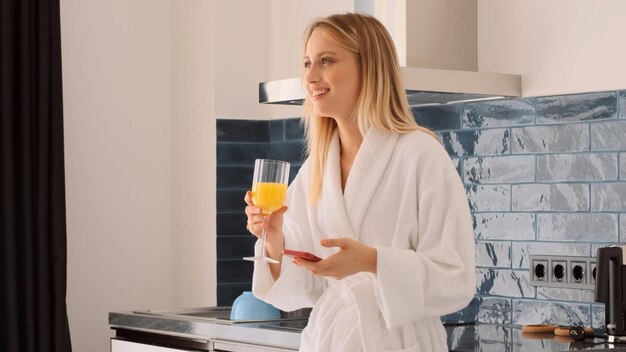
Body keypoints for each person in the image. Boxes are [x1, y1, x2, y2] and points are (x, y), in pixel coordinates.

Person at [244, 12, 475, 352]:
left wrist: (372, 261)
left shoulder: (421, 155)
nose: (310, 75)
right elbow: (302, 287)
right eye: (307, 62)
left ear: (368, 67)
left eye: (326, 60)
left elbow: (456, 278)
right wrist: (274, 241)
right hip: (331, 338)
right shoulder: (315, 169)